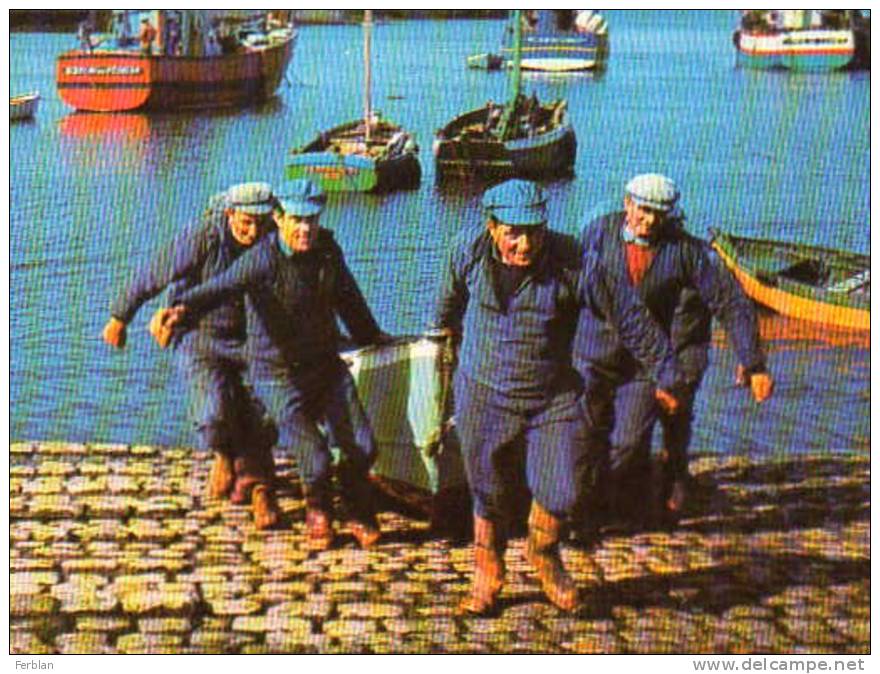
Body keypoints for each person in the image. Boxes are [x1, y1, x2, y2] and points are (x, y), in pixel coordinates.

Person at [434, 179, 683, 616]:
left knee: (563, 490)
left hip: (552, 398)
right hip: (483, 393)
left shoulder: (576, 263)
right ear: (492, 227)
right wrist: (441, 347)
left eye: (534, 231)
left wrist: (666, 372)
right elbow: (445, 308)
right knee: (487, 488)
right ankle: (487, 567)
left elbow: (629, 317)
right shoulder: (466, 252)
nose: (525, 243)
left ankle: (543, 553)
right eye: (513, 232)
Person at [164, 180, 392, 552]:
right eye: (297, 220)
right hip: (277, 374)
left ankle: (355, 509)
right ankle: (319, 511)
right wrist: (182, 308)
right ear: (280, 218)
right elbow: (221, 286)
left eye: (312, 220)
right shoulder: (263, 258)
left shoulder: (328, 251)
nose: (305, 229)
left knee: (363, 446)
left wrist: (372, 336)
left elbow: (348, 298)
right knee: (315, 456)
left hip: (325, 366)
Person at [575, 173, 774, 528]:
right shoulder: (596, 233)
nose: (649, 220)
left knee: (629, 441)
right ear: (627, 204)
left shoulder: (686, 252)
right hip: (591, 355)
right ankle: (588, 509)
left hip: (644, 364)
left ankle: (608, 502)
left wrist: (753, 362)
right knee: (584, 438)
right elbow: (566, 286)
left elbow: (731, 303)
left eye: (658, 213)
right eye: (643, 210)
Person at [101, 182, 282, 530]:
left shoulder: (277, 240)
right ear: (230, 215)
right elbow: (155, 271)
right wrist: (120, 316)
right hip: (202, 333)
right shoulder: (204, 237)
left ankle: (260, 485)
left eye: (261, 223)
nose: (253, 231)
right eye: (245, 222)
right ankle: (224, 453)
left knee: (265, 411)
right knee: (212, 414)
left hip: (255, 338)